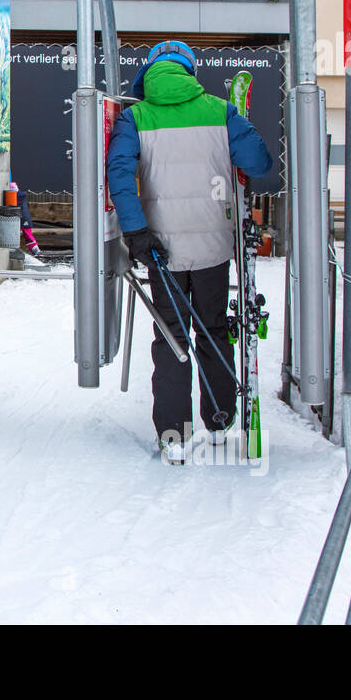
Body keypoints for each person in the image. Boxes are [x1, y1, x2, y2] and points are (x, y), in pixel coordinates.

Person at [105, 40, 272, 465]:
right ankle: (219, 419)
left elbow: (119, 175)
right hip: (215, 245)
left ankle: (174, 434)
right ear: (189, 71)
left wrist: (136, 232)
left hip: (161, 248)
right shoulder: (220, 111)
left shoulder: (134, 117)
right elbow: (260, 163)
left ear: (151, 72)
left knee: (171, 336)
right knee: (214, 327)